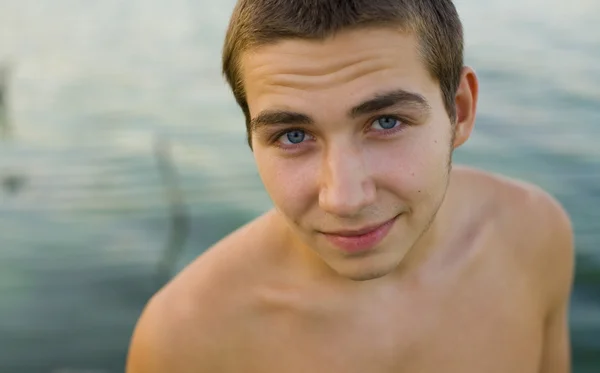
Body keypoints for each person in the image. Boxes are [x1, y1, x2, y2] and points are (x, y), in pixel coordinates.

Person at [126, 0, 575, 372]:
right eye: (293, 135)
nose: (343, 199)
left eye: (386, 122)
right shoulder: (184, 338)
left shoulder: (533, 236)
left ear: (459, 110)